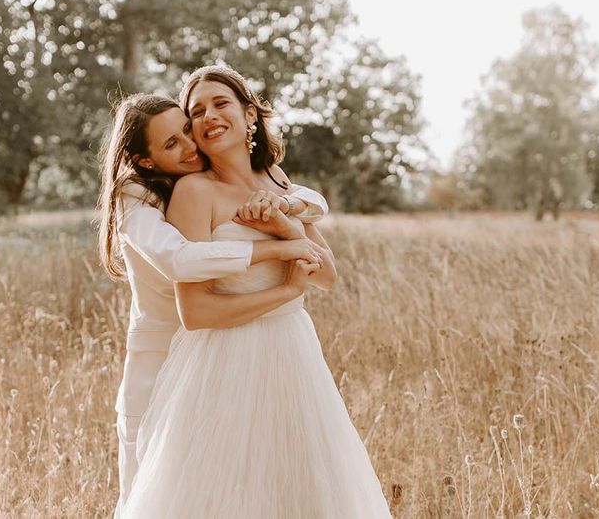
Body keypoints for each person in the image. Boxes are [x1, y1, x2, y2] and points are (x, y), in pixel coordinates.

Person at [122, 67, 392, 518]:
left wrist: (285, 225)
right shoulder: (192, 191)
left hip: (294, 355)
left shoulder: (278, 181)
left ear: (250, 114)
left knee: (303, 490)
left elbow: (326, 277)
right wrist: (287, 288)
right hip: (223, 362)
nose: (208, 117)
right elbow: (196, 311)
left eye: (221, 103)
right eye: (196, 113)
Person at [96, 93, 330, 518]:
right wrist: (279, 254)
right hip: (165, 356)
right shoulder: (135, 195)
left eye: (186, 130)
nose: (190, 145)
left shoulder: (245, 178)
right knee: (154, 487)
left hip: (233, 352)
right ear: (145, 160)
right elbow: (181, 260)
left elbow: (308, 200)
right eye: (171, 144)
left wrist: (290, 207)